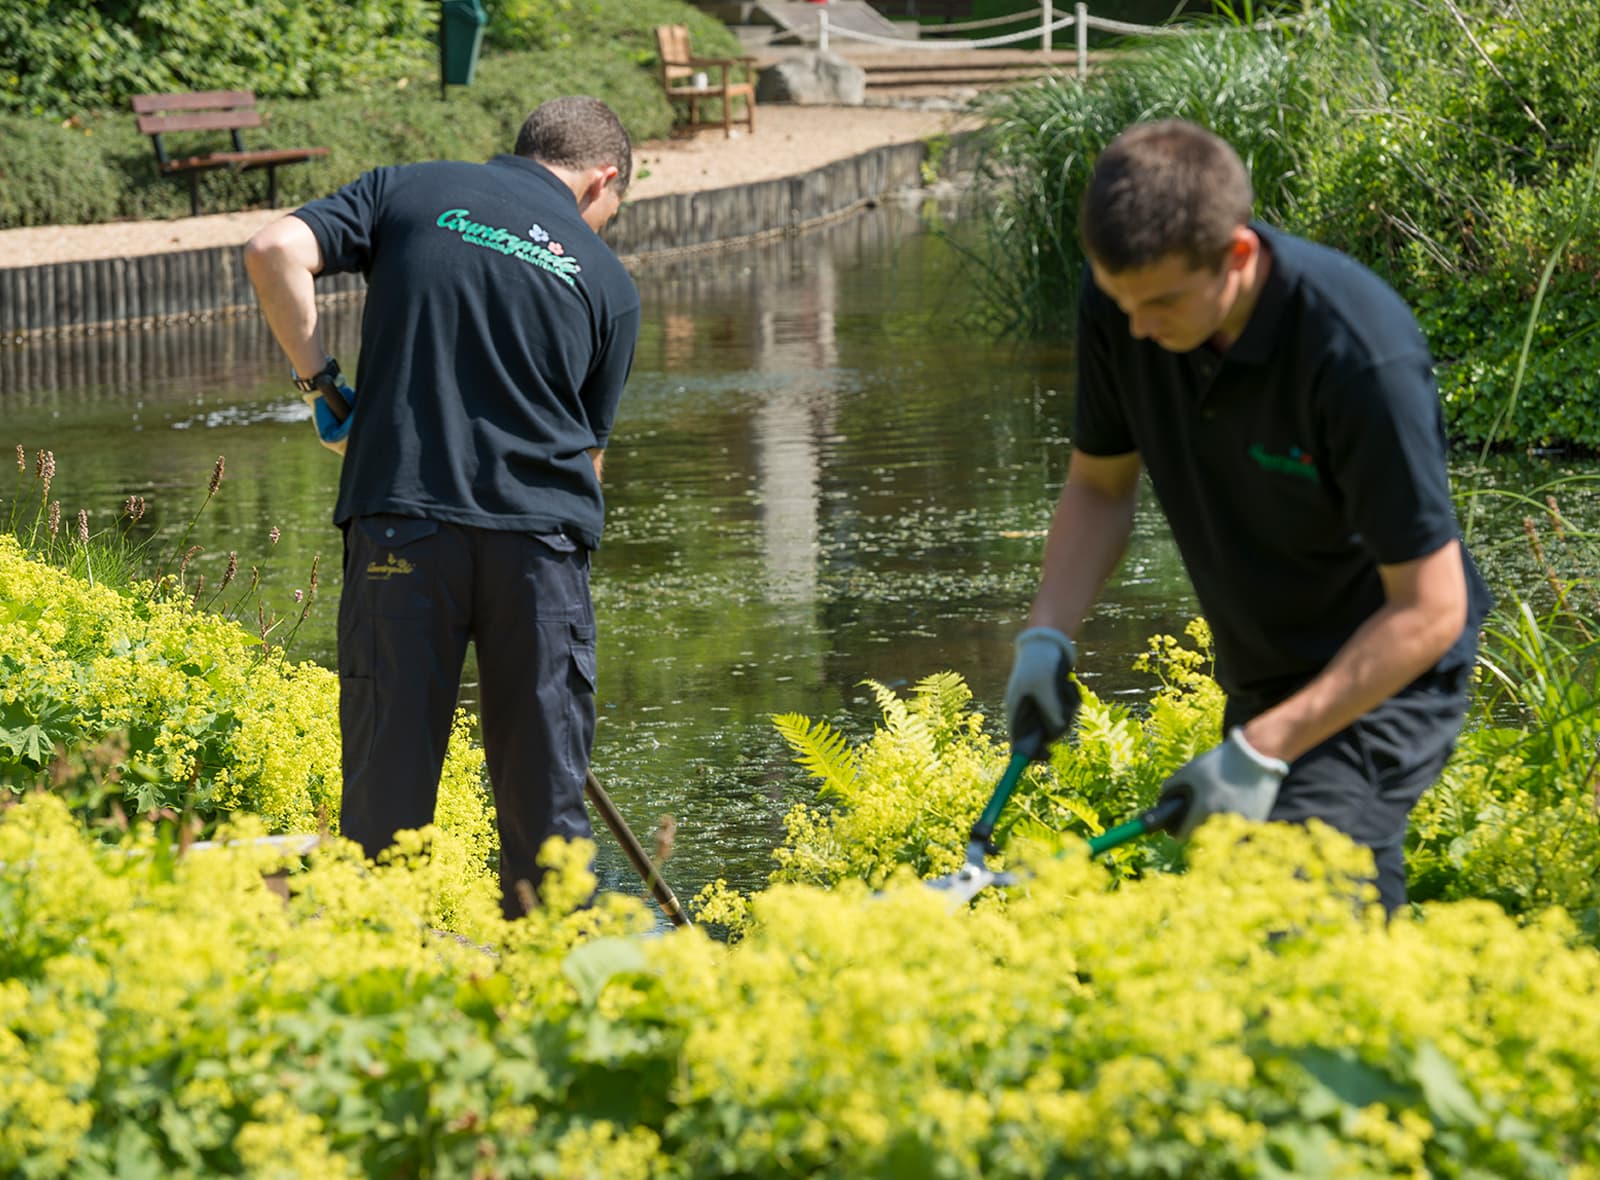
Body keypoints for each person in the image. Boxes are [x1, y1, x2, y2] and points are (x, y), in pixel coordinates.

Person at [1003, 119, 1491, 915]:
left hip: (1387, 670)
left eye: (1159, 300)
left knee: (1304, 902)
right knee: (1258, 919)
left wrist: (1263, 748)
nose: (1136, 328)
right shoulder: (1127, 300)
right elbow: (1099, 484)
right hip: (1264, 666)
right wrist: (1047, 634)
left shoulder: (1358, 355)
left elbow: (1433, 607)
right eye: (1119, 299)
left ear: (1236, 256)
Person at [243, 95, 639, 917]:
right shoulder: (607, 282)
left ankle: (385, 1002)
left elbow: (274, 247)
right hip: (539, 548)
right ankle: (555, 1007)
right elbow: (589, 462)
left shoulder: (411, 190)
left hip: (403, 523)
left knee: (387, 793)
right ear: (602, 181)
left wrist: (321, 384)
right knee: (548, 814)